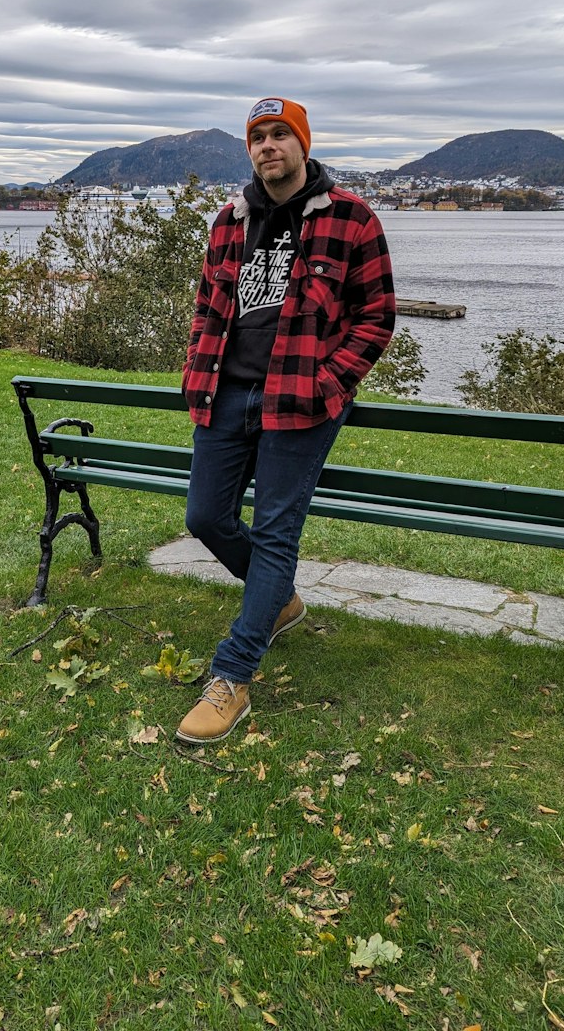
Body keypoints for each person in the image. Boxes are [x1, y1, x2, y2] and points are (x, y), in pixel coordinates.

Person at [177, 97, 396, 743]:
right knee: (204, 517)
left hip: (300, 402)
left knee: (275, 534)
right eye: (258, 137)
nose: (268, 146)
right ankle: (279, 600)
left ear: (303, 144)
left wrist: (327, 383)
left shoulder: (352, 219)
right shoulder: (229, 220)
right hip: (226, 393)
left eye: (280, 135)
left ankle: (232, 678)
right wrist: (196, 372)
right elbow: (205, 309)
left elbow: (376, 315)